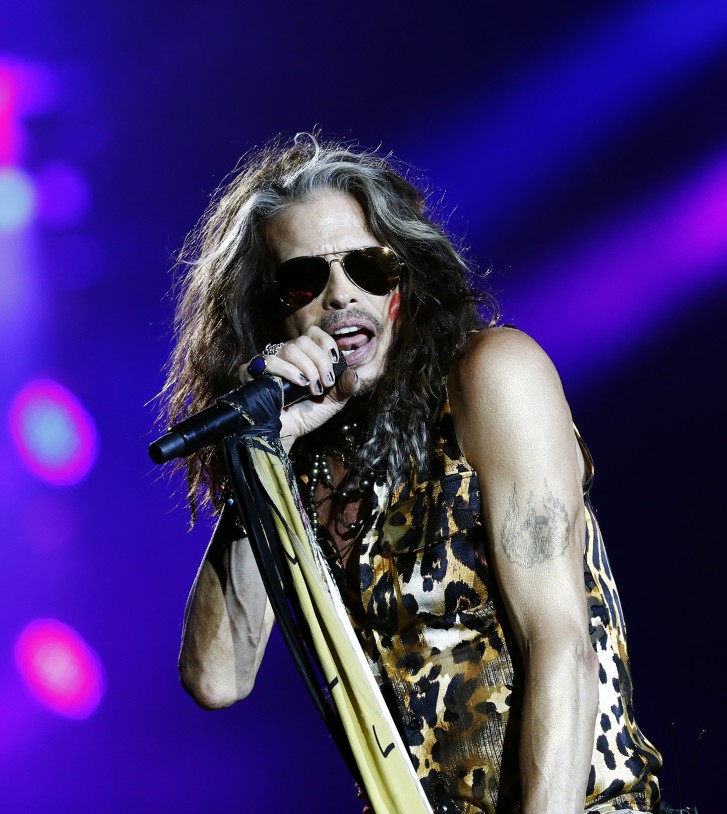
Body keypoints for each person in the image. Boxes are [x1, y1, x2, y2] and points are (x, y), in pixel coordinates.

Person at [159, 133, 664, 814]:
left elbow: (559, 642)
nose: (341, 296)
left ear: (404, 278)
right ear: (269, 308)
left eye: (368, 266)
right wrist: (263, 453)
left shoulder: (490, 378)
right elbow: (217, 677)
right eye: (304, 279)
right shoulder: (298, 464)